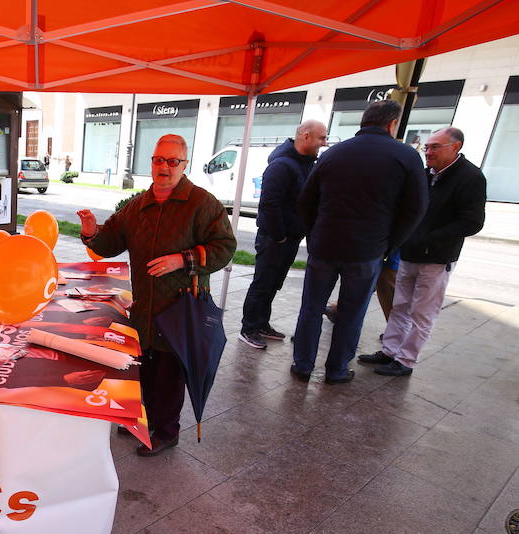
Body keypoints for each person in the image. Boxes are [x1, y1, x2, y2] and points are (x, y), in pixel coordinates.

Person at [78, 134, 236, 456]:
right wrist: (92, 231)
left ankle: (167, 432)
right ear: (151, 162)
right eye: (158, 160)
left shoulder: (202, 204)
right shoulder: (139, 205)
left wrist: (183, 259)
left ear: (184, 165)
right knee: (145, 366)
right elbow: (110, 243)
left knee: (169, 373)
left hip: (179, 307)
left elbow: (225, 247)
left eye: (172, 161)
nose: (164, 167)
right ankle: (145, 418)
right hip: (145, 307)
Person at [292, 100, 427, 384]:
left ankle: (303, 365)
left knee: (311, 308)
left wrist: (314, 234)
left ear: (363, 122)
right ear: (392, 124)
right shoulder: (405, 156)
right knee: (351, 313)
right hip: (367, 249)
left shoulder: (333, 154)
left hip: (325, 246)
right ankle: (337, 369)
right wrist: (389, 244)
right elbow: (416, 209)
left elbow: (306, 201)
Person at [358, 126, 486, 376]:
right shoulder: (426, 174)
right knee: (400, 305)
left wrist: (429, 239)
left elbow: (472, 222)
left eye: (435, 147)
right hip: (409, 252)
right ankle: (389, 351)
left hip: (437, 258)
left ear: (455, 147)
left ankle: (405, 360)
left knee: (422, 312)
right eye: (427, 147)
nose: (428, 152)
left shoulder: (470, 177)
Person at [238, 120, 327, 349]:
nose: (323, 143)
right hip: (275, 238)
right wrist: (279, 236)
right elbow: (269, 204)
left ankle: (261, 323)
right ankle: (248, 328)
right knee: (262, 283)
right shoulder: (282, 166)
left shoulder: (306, 164)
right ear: (306, 136)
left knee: (273, 283)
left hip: (290, 237)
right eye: (321, 138)